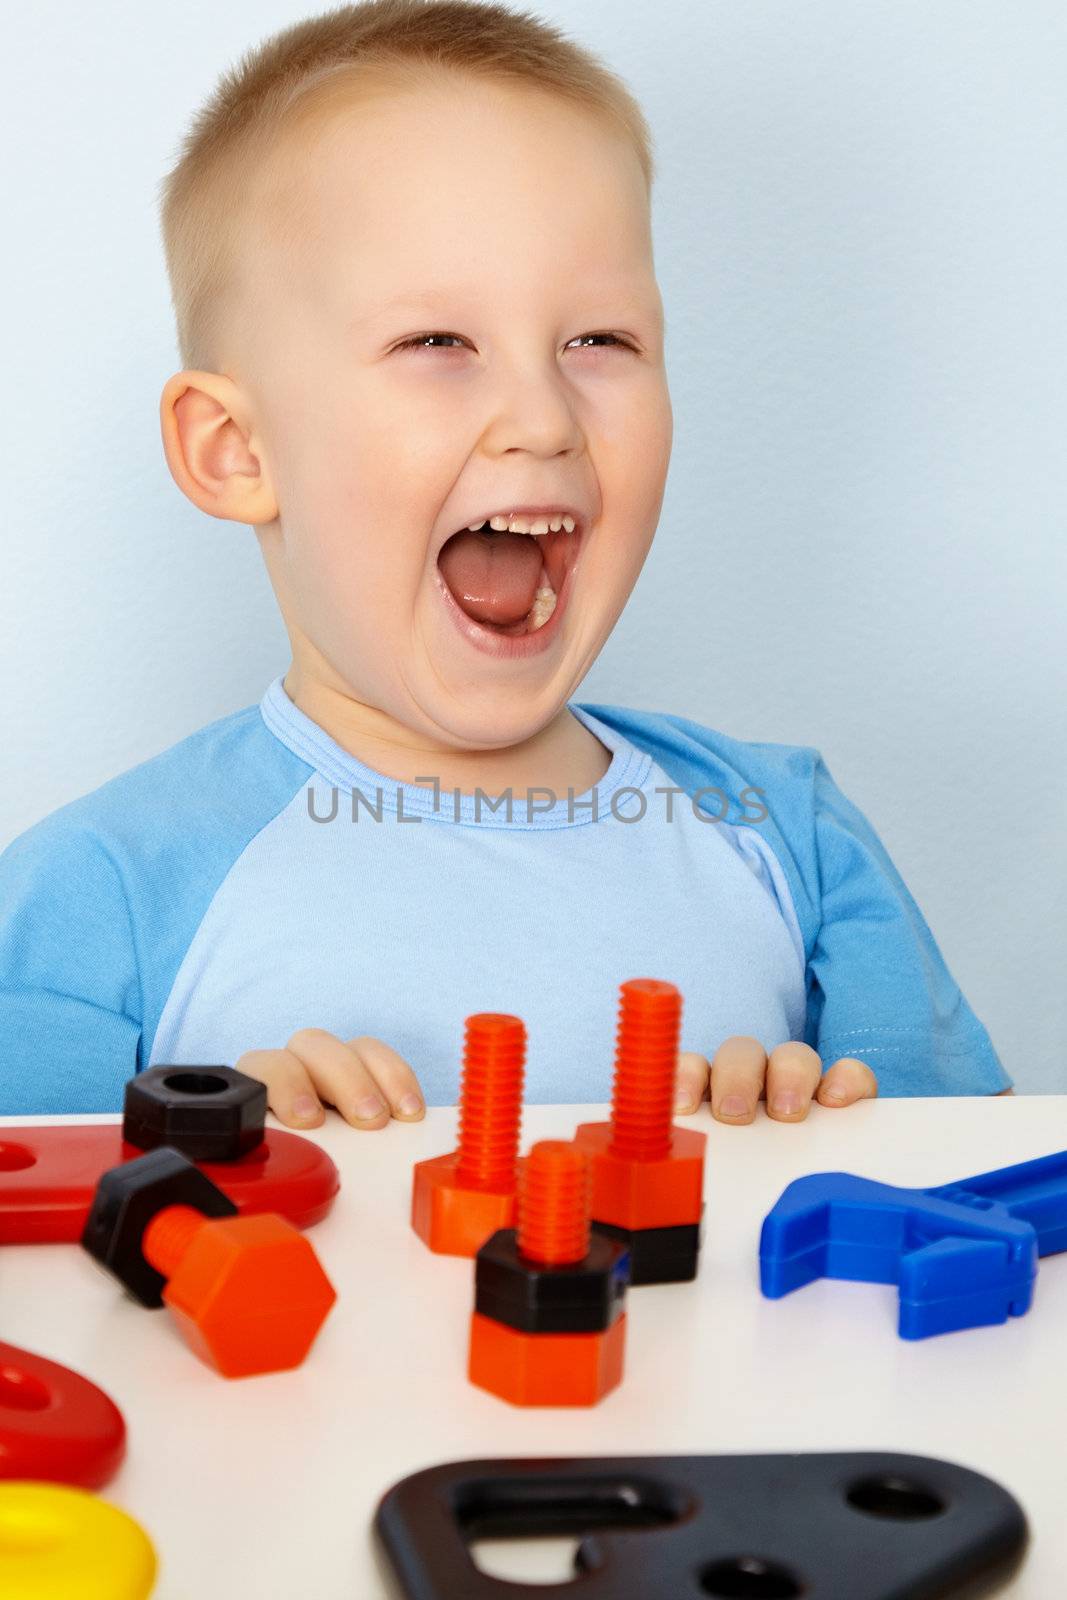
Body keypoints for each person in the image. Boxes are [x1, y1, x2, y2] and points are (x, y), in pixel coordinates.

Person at [0, 0, 1013, 1126]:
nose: (542, 416)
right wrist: (189, 1160)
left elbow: (972, 1208)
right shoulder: (95, 889)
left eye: (600, 341)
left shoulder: (792, 837)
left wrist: (813, 1138)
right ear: (236, 450)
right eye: (437, 343)